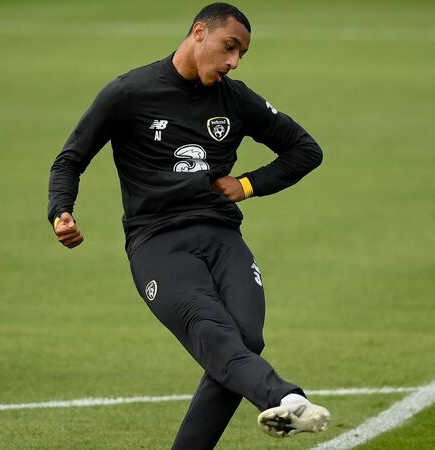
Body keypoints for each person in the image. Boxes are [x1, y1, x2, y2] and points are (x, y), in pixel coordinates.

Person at [47, 3, 329, 448]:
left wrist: (248, 184)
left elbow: (305, 149)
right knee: (216, 333)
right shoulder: (129, 92)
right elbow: (70, 159)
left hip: (221, 236)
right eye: (229, 47)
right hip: (158, 244)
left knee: (245, 339)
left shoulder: (234, 99)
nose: (234, 61)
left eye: (242, 54)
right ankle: (287, 398)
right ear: (199, 33)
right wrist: (61, 210)